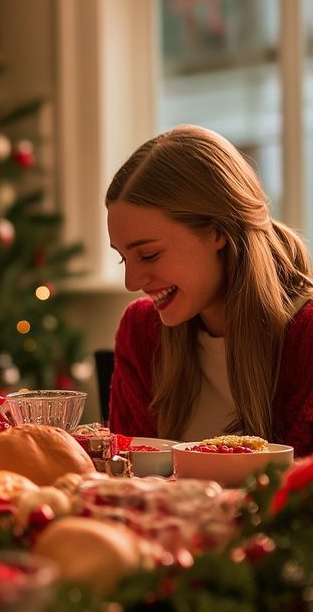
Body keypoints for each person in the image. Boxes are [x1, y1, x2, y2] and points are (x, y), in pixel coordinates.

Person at [106, 124, 313, 455]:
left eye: (148, 254)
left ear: (218, 231)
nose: (132, 282)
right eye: (123, 259)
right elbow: (128, 479)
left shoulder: (307, 338)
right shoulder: (141, 332)